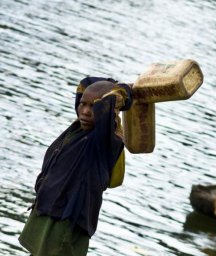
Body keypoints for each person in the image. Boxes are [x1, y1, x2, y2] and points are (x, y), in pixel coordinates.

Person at [18, 77, 133, 255]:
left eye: (93, 107)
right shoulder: (78, 129)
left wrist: (126, 91)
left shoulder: (104, 140)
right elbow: (85, 84)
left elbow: (108, 103)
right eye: (82, 104)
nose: (85, 112)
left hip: (67, 221)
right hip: (47, 211)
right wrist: (111, 82)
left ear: (107, 111)